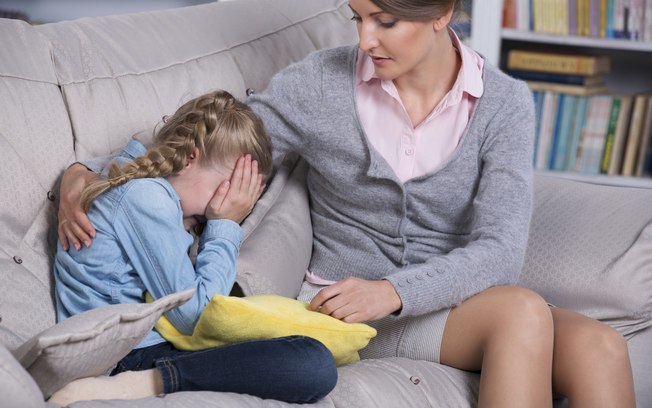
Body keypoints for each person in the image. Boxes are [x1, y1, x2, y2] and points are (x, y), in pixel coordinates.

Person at [58, 1, 635, 406]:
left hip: (438, 299)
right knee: (522, 311)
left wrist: (395, 291)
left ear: (443, 13)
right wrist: (85, 173)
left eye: (384, 20)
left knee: (603, 348)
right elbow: (206, 146)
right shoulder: (319, 86)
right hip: (338, 306)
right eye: (357, 17)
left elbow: (503, 250)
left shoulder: (505, 105)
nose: (364, 40)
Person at [50, 90, 337, 406]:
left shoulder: (139, 179)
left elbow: (119, 160)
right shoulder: (147, 199)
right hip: (129, 356)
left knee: (310, 354)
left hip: (155, 345)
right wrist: (226, 223)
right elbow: (195, 316)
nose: (223, 204)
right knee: (313, 365)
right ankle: (145, 383)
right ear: (190, 156)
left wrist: (76, 171)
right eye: (224, 190)